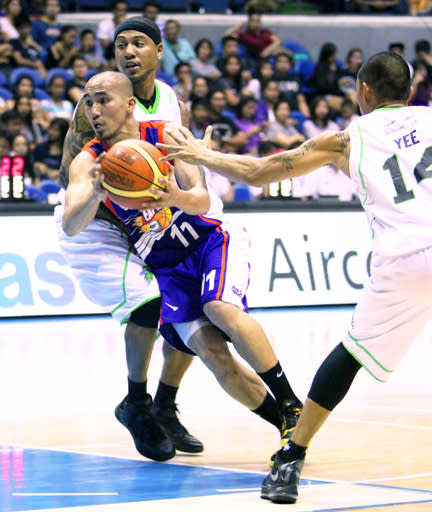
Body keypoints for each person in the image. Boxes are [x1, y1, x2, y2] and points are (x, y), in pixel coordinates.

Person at [158, 50, 432, 504]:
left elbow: (261, 171)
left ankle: (291, 456)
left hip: (404, 260)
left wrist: (203, 155)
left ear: (363, 91)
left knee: (349, 356)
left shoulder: (346, 139)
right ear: (409, 90)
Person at [59, 69, 304, 461]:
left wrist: (174, 194)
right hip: (166, 266)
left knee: (219, 307)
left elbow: (203, 201)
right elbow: (71, 225)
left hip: (209, 241)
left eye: (103, 99)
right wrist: (96, 194)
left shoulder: (167, 135)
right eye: (89, 101)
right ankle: (290, 429)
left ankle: (292, 402)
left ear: (130, 104)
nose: (94, 109)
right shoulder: (88, 162)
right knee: (212, 355)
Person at [58, 16, 205, 461]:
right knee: (148, 302)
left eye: (139, 43)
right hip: (100, 220)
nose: (128, 51)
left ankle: (165, 402)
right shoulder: (95, 109)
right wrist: (122, 189)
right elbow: (72, 177)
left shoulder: (171, 103)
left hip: (149, 212)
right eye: (121, 44)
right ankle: (136, 403)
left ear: (159, 52)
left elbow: (180, 164)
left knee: (193, 295)